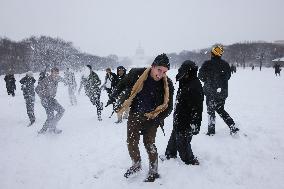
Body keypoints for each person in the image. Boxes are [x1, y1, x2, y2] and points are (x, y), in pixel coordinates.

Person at [108, 53, 174, 182]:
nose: (161, 74)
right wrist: (113, 96)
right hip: (135, 114)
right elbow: (122, 83)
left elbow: (169, 107)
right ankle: (136, 164)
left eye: (164, 72)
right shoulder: (136, 73)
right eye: (159, 70)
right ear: (153, 66)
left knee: (149, 144)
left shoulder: (168, 84)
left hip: (153, 116)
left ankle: (154, 171)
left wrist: (157, 119)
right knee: (131, 141)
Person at [163, 60, 203, 165]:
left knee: (183, 139)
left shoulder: (194, 85)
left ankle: (189, 159)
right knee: (175, 134)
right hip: (180, 116)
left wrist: (195, 123)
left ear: (189, 71)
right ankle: (170, 153)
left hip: (186, 119)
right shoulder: (186, 81)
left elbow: (197, 107)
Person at [198, 45, 239, 136]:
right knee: (220, 109)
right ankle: (232, 125)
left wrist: (208, 80)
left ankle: (211, 131)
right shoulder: (225, 64)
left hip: (210, 92)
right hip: (222, 92)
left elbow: (200, 76)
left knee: (211, 111)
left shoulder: (207, 64)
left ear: (212, 53)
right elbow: (228, 76)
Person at [35, 67, 65, 134]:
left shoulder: (57, 78)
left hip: (51, 99)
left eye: (57, 73)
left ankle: (52, 126)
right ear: (51, 73)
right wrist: (43, 97)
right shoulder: (46, 80)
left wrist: (68, 81)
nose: (56, 74)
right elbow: (37, 89)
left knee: (61, 111)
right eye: (54, 73)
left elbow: (63, 79)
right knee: (50, 116)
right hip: (45, 100)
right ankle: (43, 131)